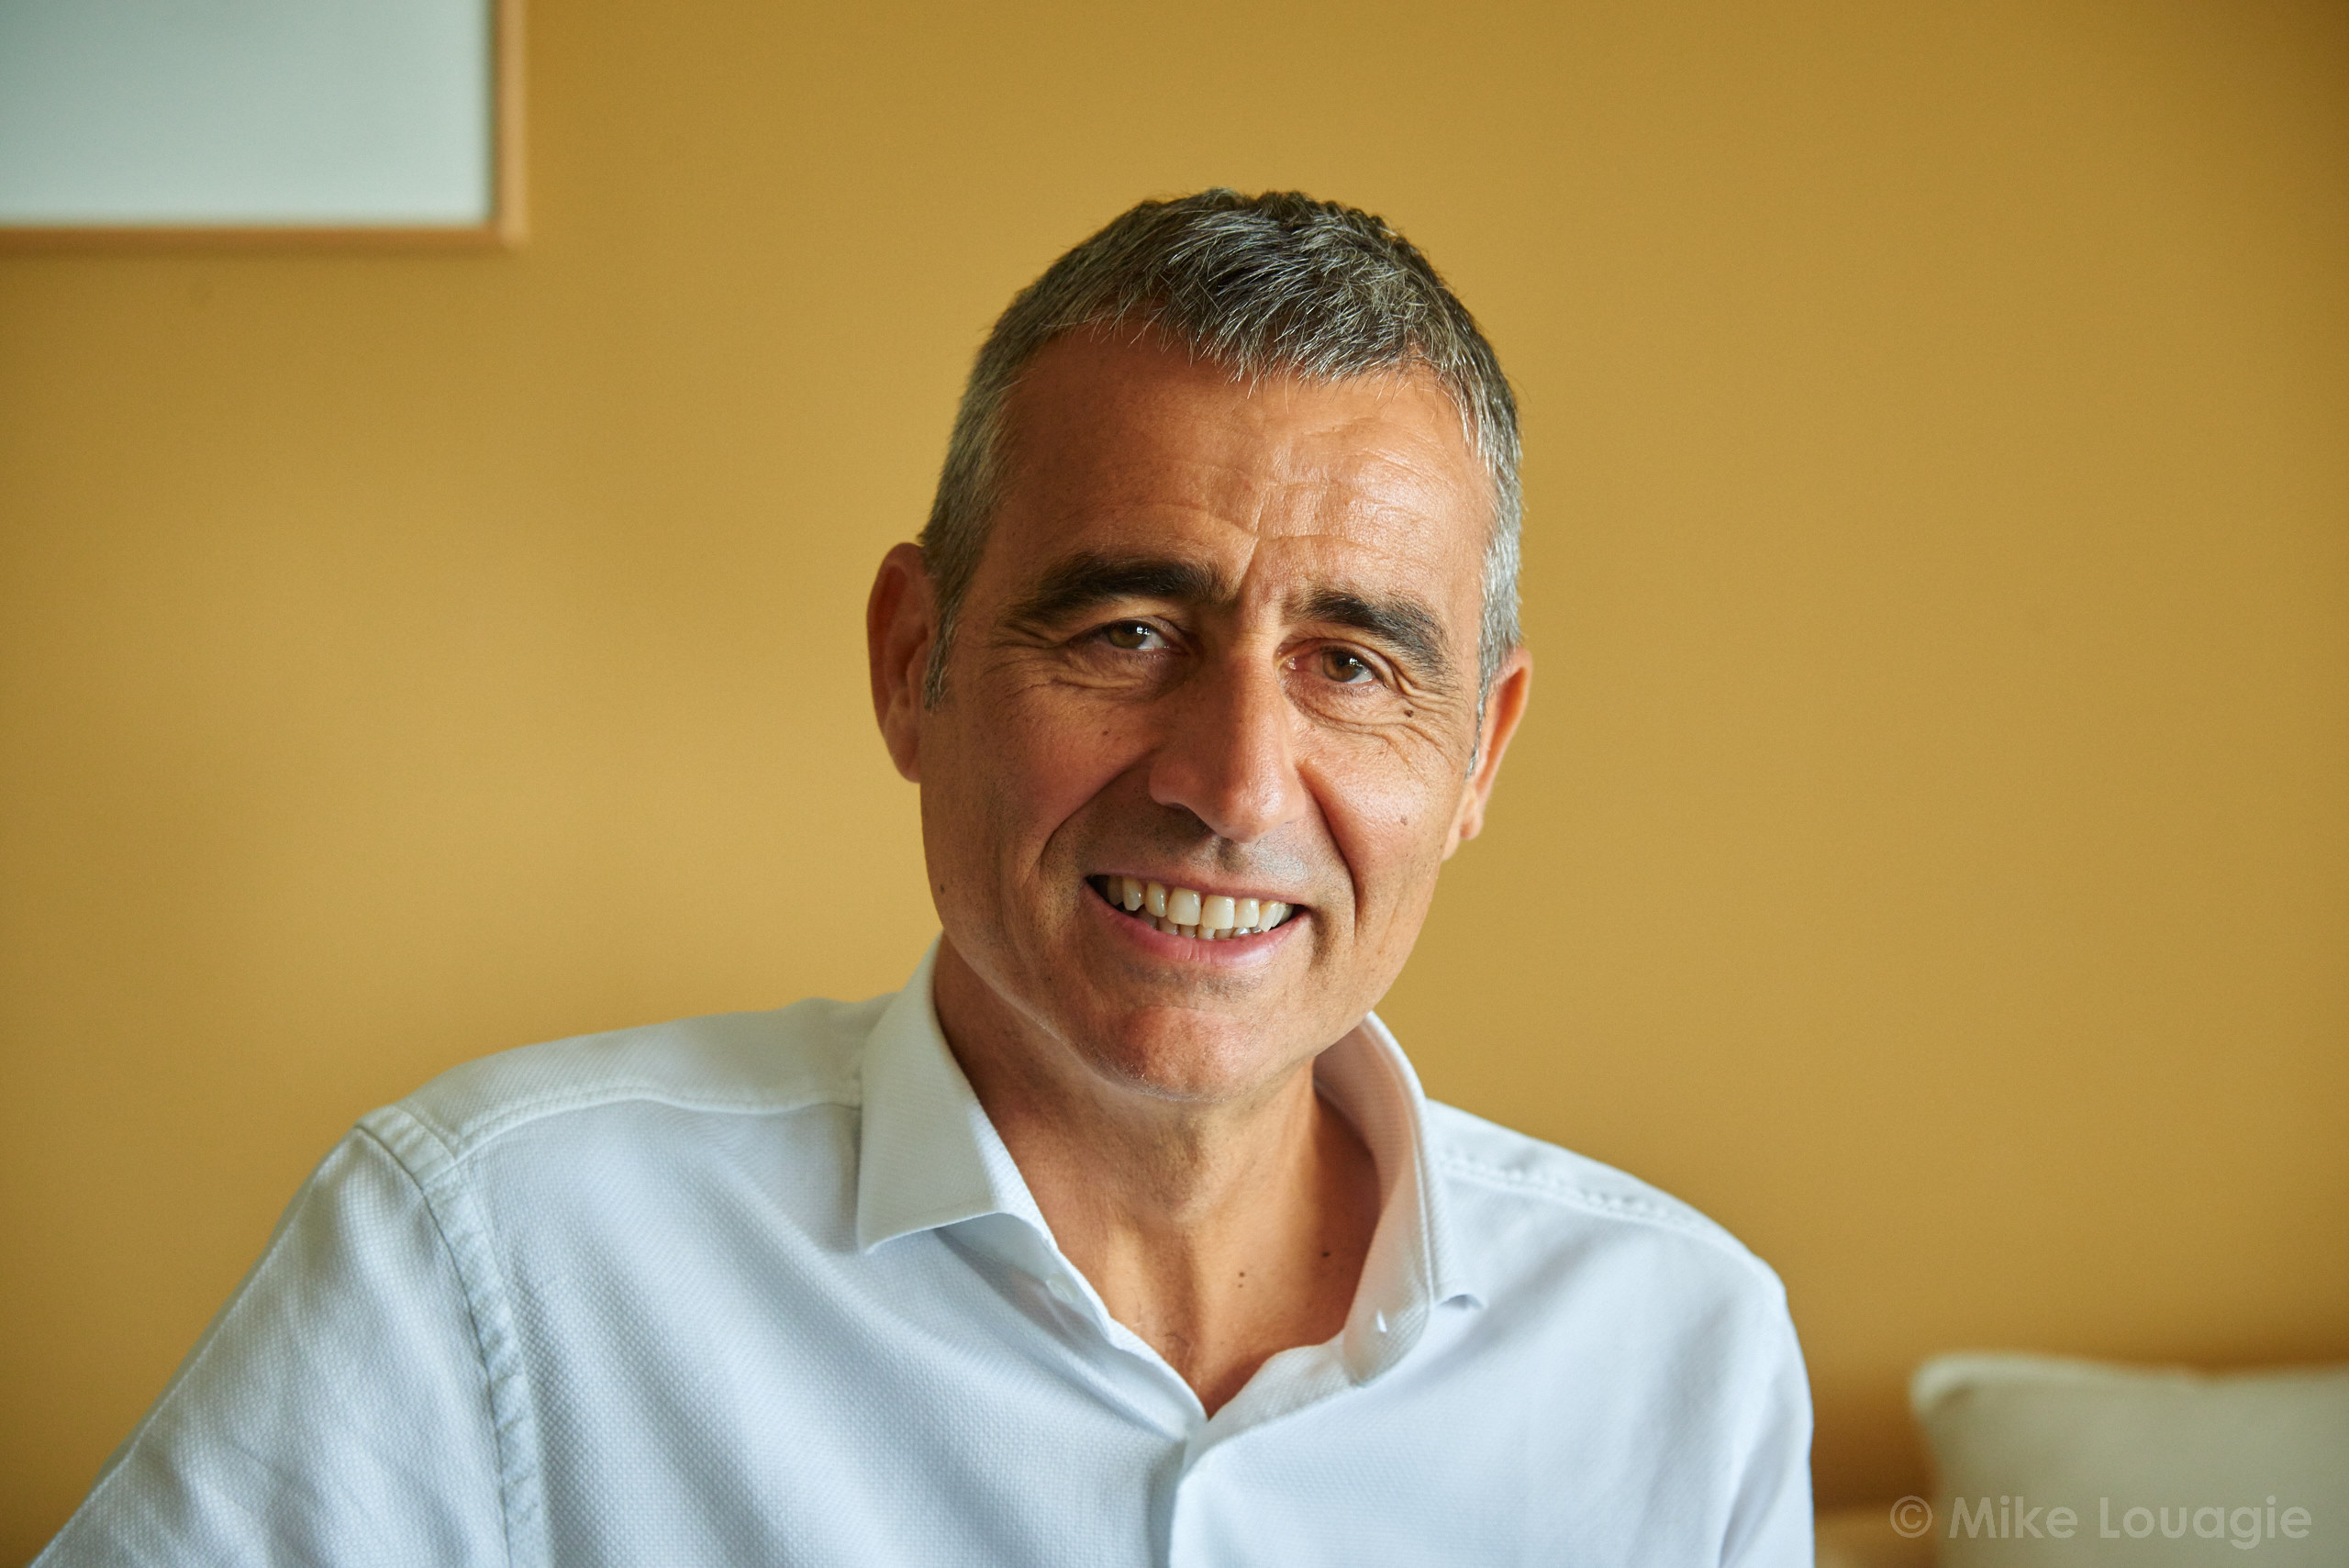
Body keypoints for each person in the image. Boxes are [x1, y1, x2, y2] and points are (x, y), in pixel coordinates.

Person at [36, 190, 1812, 1566]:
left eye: (1349, 666)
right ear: (914, 661)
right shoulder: (487, 1256)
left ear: (1478, 753)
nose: (1231, 785)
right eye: (1127, 631)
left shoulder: (1681, 1355)